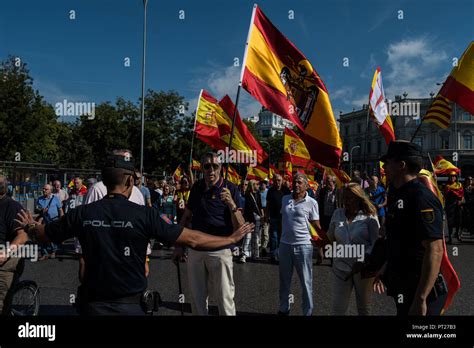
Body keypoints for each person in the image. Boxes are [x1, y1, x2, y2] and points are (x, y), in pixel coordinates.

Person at [15, 155, 254, 316]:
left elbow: (45, 235)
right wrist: (231, 240)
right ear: (130, 180)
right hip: (130, 304)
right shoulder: (145, 215)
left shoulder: (81, 213)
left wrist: (30, 227)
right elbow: (192, 238)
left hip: (91, 303)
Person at [374, 140, 446, 316]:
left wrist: (421, 298)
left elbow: (435, 250)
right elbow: (401, 241)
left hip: (423, 294)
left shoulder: (421, 197)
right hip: (404, 288)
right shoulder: (397, 193)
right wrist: (385, 268)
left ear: (402, 165)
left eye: (388, 163)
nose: (384, 168)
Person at [172, 152, 245, 316]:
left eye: (215, 166)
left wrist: (232, 204)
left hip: (220, 250)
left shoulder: (231, 189)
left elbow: (240, 225)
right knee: (197, 301)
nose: (211, 170)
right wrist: (178, 245)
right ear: (202, 168)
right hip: (196, 249)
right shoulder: (196, 187)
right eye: (207, 166)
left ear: (221, 168)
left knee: (224, 300)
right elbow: (186, 217)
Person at [327, 183, 380, 315]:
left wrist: (364, 260)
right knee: (337, 309)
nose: (346, 201)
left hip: (362, 270)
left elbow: (376, 243)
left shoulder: (370, 216)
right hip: (340, 268)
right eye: (345, 198)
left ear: (358, 198)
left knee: (363, 309)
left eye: (350, 198)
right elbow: (330, 237)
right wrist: (322, 244)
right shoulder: (337, 214)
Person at [278, 173, 320, 316]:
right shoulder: (285, 199)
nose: (296, 185)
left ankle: (307, 312)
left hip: (303, 246)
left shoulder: (312, 203)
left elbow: (316, 225)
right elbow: (282, 220)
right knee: (284, 281)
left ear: (306, 185)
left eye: (299, 183)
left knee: (306, 281)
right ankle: (284, 308)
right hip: (284, 245)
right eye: (294, 182)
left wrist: (319, 246)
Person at [0, 175, 29, 315]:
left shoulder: (12, 206)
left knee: (1, 303)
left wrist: (5, 253)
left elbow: (22, 235)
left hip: (6, 263)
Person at [266, 174, 291, 263]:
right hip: (273, 216)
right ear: (273, 181)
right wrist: (266, 216)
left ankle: (282, 254)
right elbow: (268, 205)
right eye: (276, 180)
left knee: (282, 236)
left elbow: (291, 204)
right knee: (273, 236)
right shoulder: (270, 191)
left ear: (282, 180)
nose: (277, 182)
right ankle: (273, 254)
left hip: (284, 217)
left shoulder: (286, 190)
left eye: (279, 180)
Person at [35, 184, 64, 260]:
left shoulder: (55, 198)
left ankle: (53, 251)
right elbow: (36, 209)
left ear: (50, 190)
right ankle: (44, 253)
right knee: (42, 237)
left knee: (52, 236)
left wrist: (62, 219)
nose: (44, 190)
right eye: (43, 189)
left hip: (54, 220)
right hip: (43, 220)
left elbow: (60, 210)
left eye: (46, 189)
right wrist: (41, 210)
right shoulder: (39, 199)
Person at [240, 179, 264, 263]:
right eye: (256, 184)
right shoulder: (247, 195)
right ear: (252, 185)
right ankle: (244, 254)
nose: (258, 185)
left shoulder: (258, 194)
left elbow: (260, 206)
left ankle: (255, 254)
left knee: (256, 237)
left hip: (257, 218)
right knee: (247, 236)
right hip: (249, 218)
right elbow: (245, 208)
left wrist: (262, 216)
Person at [444, 172, 464, 244]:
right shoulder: (447, 186)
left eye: (454, 176)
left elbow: (461, 195)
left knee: (458, 221)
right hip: (450, 206)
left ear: (456, 177)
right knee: (450, 222)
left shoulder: (459, 185)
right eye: (451, 176)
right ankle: (450, 237)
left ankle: (458, 235)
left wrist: (460, 201)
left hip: (458, 206)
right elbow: (445, 195)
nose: (452, 177)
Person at [259, 180, 270, 255]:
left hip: (266, 213)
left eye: (264, 184)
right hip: (259, 213)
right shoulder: (258, 192)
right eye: (261, 184)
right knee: (259, 233)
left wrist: (267, 215)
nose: (262, 185)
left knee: (265, 232)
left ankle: (264, 246)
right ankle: (259, 246)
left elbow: (269, 204)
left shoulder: (268, 192)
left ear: (266, 185)